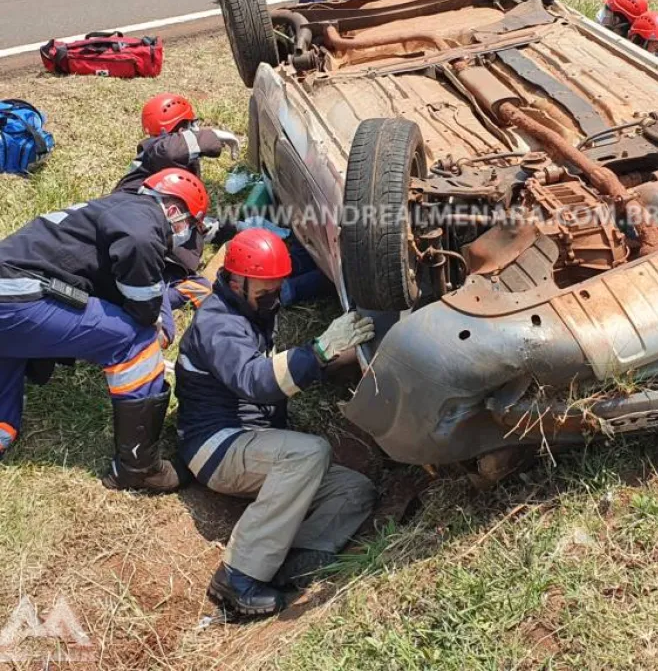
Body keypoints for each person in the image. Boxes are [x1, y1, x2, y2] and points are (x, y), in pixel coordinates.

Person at [175, 229, 377, 618]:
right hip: (217, 447)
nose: (273, 298)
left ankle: (291, 559)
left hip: (256, 444)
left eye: (276, 289)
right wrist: (319, 350)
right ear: (235, 281)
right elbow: (257, 382)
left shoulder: (255, 304)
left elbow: (310, 280)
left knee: (354, 490)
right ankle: (237, 576)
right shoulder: (218, 323)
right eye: (265, 292)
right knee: (309, 452)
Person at [0, 169, 209, 491]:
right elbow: (141, 295)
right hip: (18, 299)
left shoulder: (112, 206)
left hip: (12, 295)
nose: (184, 235)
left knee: (10, 348)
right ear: (171, 210)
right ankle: (139, 468)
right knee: (134, 341)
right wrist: (150, 316)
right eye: (188, 226)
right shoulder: (143, 220)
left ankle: (3, 427)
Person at [115, 93, 241, 310]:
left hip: (136, 236)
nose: (197, 130)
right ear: (181, 129)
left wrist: (228, 227)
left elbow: (183, 220)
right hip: (136, 246)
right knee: (197, 291)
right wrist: (214, 136)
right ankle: (171, 292)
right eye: (193, 125)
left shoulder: (163, 163)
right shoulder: (157, 153)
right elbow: (168, 148)